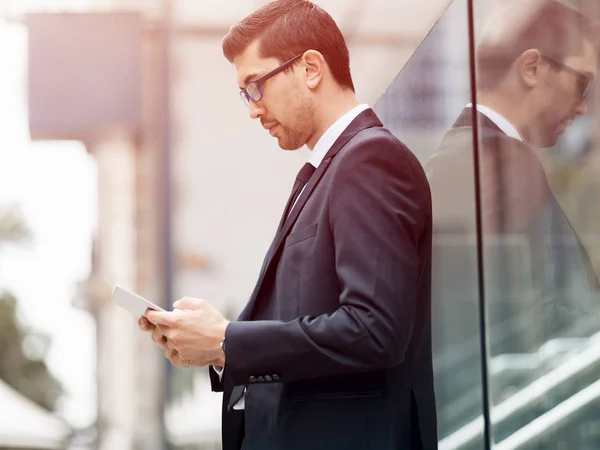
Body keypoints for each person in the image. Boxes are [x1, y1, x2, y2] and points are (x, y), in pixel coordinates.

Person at [138, 0, 437, 449]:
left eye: (254, 86)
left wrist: (229, 342)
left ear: (311, 68)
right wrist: (221, 345)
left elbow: (374, 329)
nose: (253, 110)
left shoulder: (369, 160)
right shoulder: (328, 172)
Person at [426, 0, 599, 361]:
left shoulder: (457, 156)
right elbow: (537, 317)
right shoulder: (503, 163)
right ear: (532, 67)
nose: (583, 107)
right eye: (581, 84)